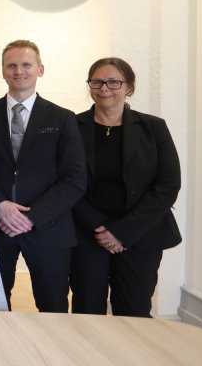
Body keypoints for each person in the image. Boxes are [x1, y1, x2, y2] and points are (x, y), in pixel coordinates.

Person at [0, 40, 87, 313]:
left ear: (40, 69)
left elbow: (74, 178)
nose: (18, 71)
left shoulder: (62, 118)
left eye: (26, 64)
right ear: (2, 71)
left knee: (53, 306)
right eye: (11, 65)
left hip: (49, 228)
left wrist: (30, 217)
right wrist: (0, 205)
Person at [70, 57, 181, 317]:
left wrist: (121, 231)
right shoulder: (72, 127)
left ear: (129, 86)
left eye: (113, 82)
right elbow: (66, 182)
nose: (104, 88)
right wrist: (101, 229)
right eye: (96, 81)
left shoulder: (154, 127)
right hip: (87, 235)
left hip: (141, 235)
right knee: (87, 311)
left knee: (134, 311)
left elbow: (168, 185)